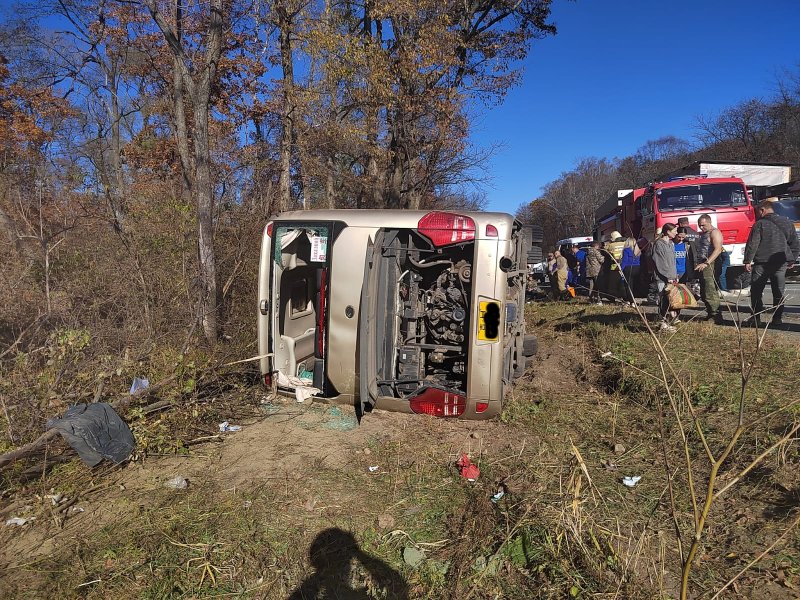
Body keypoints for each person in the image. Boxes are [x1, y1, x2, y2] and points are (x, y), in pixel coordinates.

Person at [743, 198, 800, 328]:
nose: (757, 215)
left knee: (757, 290)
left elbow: (753, 244)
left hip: (762, 263)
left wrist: (747, 260)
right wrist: (792, 258)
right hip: (780, 263)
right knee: (778, 291)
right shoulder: (787, 222)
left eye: (758, 212)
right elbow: (795, 243)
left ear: (762, 210)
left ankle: (756, 317)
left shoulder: (760, 224)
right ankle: (777, 318)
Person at [694, 214, 725, 324]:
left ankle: (716, 315)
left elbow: (718, 249)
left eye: (703, 225)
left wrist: (707, 263)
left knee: (710, 290)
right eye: (699, 225)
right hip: (702, 263)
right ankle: (710, 313)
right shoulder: (703, 234)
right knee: (704, 291)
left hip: (710, 264)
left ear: (709, 222)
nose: (701, 227)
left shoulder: (715, 232)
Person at [652, 223, 680, 332]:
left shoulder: (671, 244)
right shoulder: (659, 244)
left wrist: (675, 275)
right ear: (668, 232)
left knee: (670, 301)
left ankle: (665, 323)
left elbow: (672, 262)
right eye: (675, 231)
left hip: (672, 277)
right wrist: (667, 276)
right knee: (664, 300)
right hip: (662, 278)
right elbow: (660, 262)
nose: (676, 233)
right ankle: (662, 323)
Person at [620, 237, 641, 304]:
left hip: (628, 268)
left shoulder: (626, 250)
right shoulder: (638, 250)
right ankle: (634, 298)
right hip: (637, 268)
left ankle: (630, 300)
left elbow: (625, 261)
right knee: (635, 284)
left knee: (628, 285)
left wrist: (621, 269)